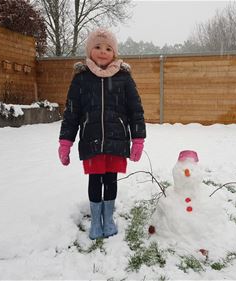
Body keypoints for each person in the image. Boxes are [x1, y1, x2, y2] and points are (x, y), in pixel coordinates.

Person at [57, 28, 146, 240]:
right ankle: (96, 221)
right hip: (91, 140)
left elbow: (136, 110)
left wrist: (138, 139)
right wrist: (65, 142)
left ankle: (109, 218)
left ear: (114, 52)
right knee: (95, 180)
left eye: (108, 48)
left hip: (116, 141)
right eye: (97, 47)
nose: (102, 51)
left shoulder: (124, 78)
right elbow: (71, 111)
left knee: (111, 180)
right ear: (89, 50)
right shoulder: (81, 78)